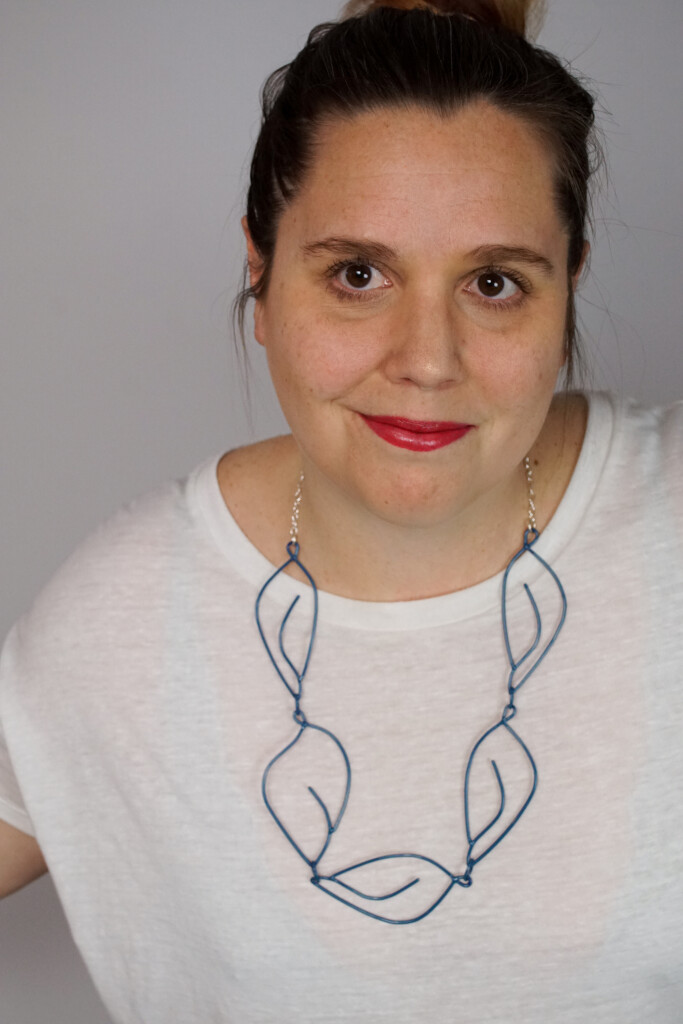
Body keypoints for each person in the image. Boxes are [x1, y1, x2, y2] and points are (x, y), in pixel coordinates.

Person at [1, 0, 681, 1020]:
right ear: (259, 271)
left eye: (492, 282)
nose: (425, 360)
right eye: (357, 275)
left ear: (568, 280)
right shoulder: (125, 618)